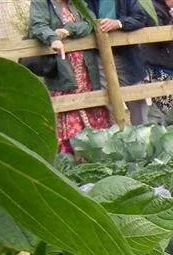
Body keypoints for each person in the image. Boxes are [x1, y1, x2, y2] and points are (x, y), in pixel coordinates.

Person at [28, 0, 112, 153]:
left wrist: (69, 30)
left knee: (92, 104)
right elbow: (37, 26)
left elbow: (90, 22)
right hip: (62, 67)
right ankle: (71, 157)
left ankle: (96, 152)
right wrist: (52, 38)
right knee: (66, 107)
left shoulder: (77, 3)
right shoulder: (41, 3)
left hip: (85, 67)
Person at [88, 0, 152, 124]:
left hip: (126, 55)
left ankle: (142, 136)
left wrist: (119, 23)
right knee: (106, 100)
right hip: (98, 55)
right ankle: (115, 138)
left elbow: (140, 18)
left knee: (136, 98)